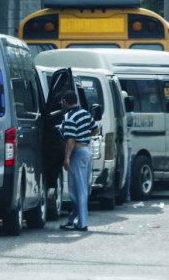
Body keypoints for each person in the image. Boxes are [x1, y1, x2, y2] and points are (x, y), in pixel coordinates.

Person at [59, 91, 98, 232]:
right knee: (83, 188)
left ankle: (82, 223)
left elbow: (70, 139)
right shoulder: (85, 114)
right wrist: (84, 135)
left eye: (62, 102)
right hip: (87, 151)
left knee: (77, 190)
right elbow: (95, 130)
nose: (61, 104)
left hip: (77, 153)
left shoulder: (69, 116)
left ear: (65, 101)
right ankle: (72, 220)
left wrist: (67, 157)